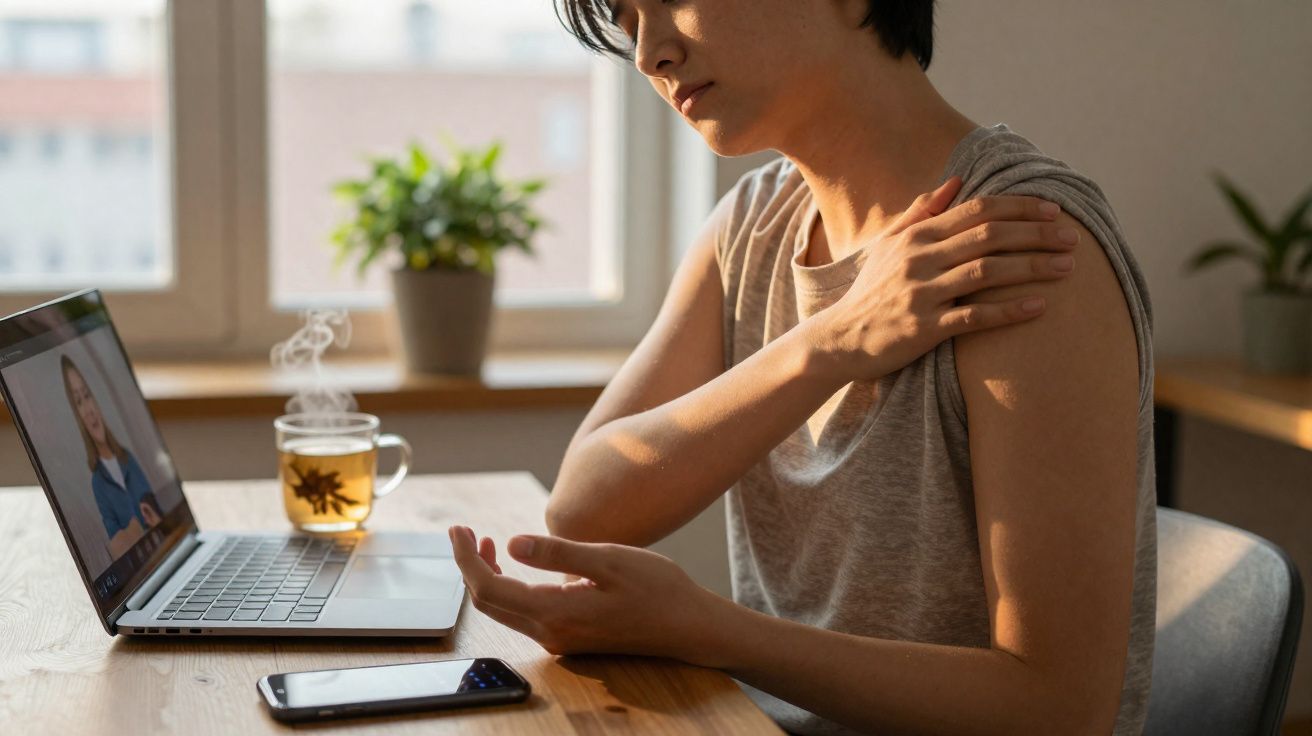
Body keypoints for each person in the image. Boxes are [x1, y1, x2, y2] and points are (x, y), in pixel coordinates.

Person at [449, 1, 1156, 733]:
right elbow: (585, 503)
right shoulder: (752, 227)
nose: (649, 55)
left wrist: (705, 630)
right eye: (630, 23)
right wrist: (832, 340)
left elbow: (1059, 710)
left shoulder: (1015, 246)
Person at [61, 355, 162, 559]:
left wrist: (152, 519)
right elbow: (117, 547)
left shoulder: (127, 458)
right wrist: (134, 529)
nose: (88, 410)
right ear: (77, 415)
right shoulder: (98, 484)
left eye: (87, 396)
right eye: (78, 402)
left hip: (162, 550)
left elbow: (156, 510)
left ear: (95, 401)